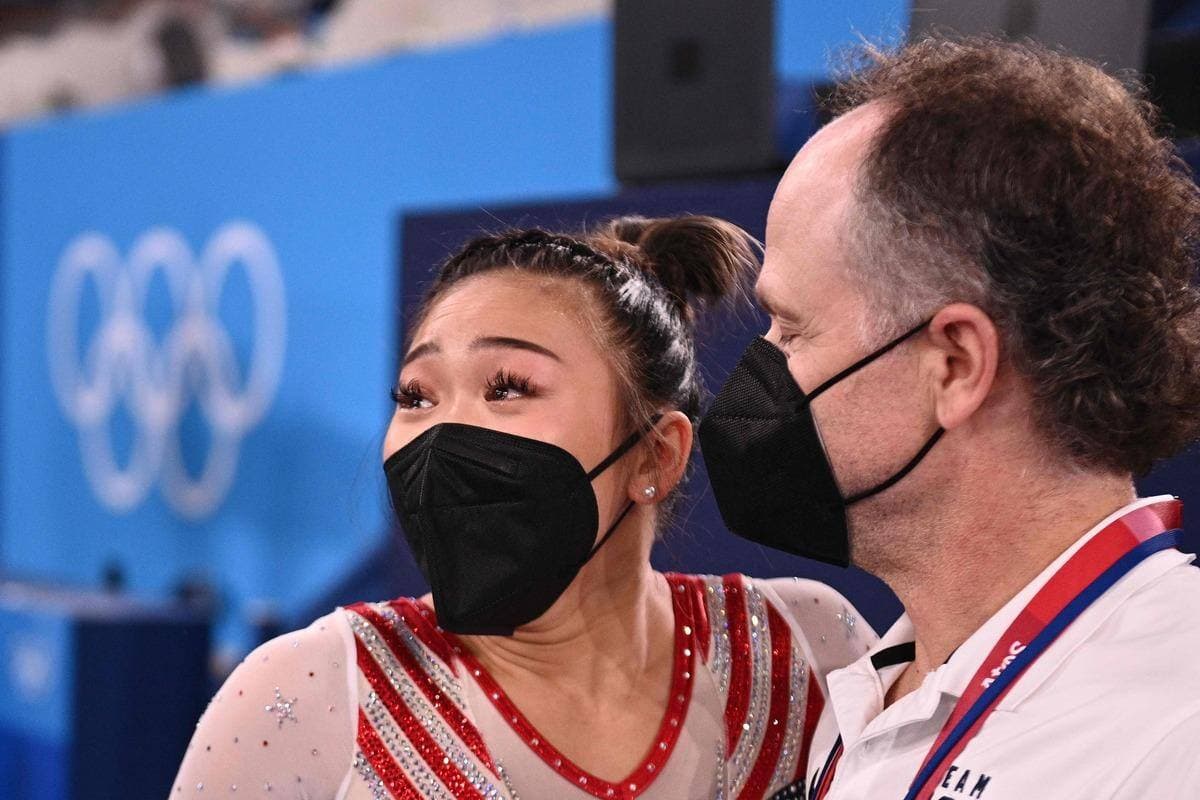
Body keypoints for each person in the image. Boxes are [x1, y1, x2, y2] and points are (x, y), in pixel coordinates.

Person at [171, 215, 877, 799]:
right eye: (416, 396)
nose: (444, 433)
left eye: (507, 387)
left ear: (655, 455)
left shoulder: (805, 647)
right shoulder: (313, 695)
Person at [698, 35, 1200, 800]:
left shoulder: (1176, 731)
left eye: (792, 331)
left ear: (956, 365)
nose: (757, 371)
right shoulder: (880, 690)